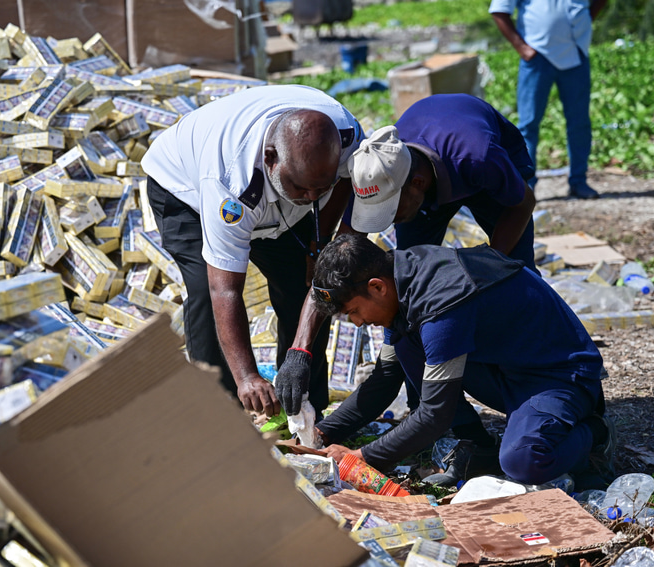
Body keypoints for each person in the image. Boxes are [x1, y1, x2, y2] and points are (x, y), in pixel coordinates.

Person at [276, 94, 537, 483]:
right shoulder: (377, 171)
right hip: (424, 178)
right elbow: (336, 268)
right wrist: (301, 353)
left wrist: (490, 269)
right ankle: (444, 421)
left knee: (513, 285)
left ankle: (532, 396)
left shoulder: (478, 157)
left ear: (417, 185)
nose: (357, 322)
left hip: (485, 172)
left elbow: (522, 203)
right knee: (407, 317)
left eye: (392, 212)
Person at [310, 235, 616, 488]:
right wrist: (321, 433)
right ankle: (479, 446)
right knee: (407, 344)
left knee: (523, 461)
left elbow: (435, 414)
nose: (358, 322)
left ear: (377, 287)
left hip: (559, 375)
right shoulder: (401, 284)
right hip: (507, 368)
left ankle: (596, 434)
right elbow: (385, 378)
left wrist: (363, 457)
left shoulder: (440, 301)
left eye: (353, 312)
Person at [141, 84, 364, 417]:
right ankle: (219, 413)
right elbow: (224, 290)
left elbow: (345, 178)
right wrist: (247, 377)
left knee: (307, 285)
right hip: (185, 192)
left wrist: (319, 243)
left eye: (322, 188)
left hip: (277, 196)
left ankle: (304, 409)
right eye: (302, 187)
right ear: (270, 158)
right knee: (204, 293)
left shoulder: (346, 136)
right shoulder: (231, 186)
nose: (312, 198)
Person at [491, 0, 608, 199]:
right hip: (537, 56)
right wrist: (522, 47)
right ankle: (527, 187)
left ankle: (578, 181)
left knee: (579, 123)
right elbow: (499, 11)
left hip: (576, 54)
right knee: (528, 124)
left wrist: (585, 20)